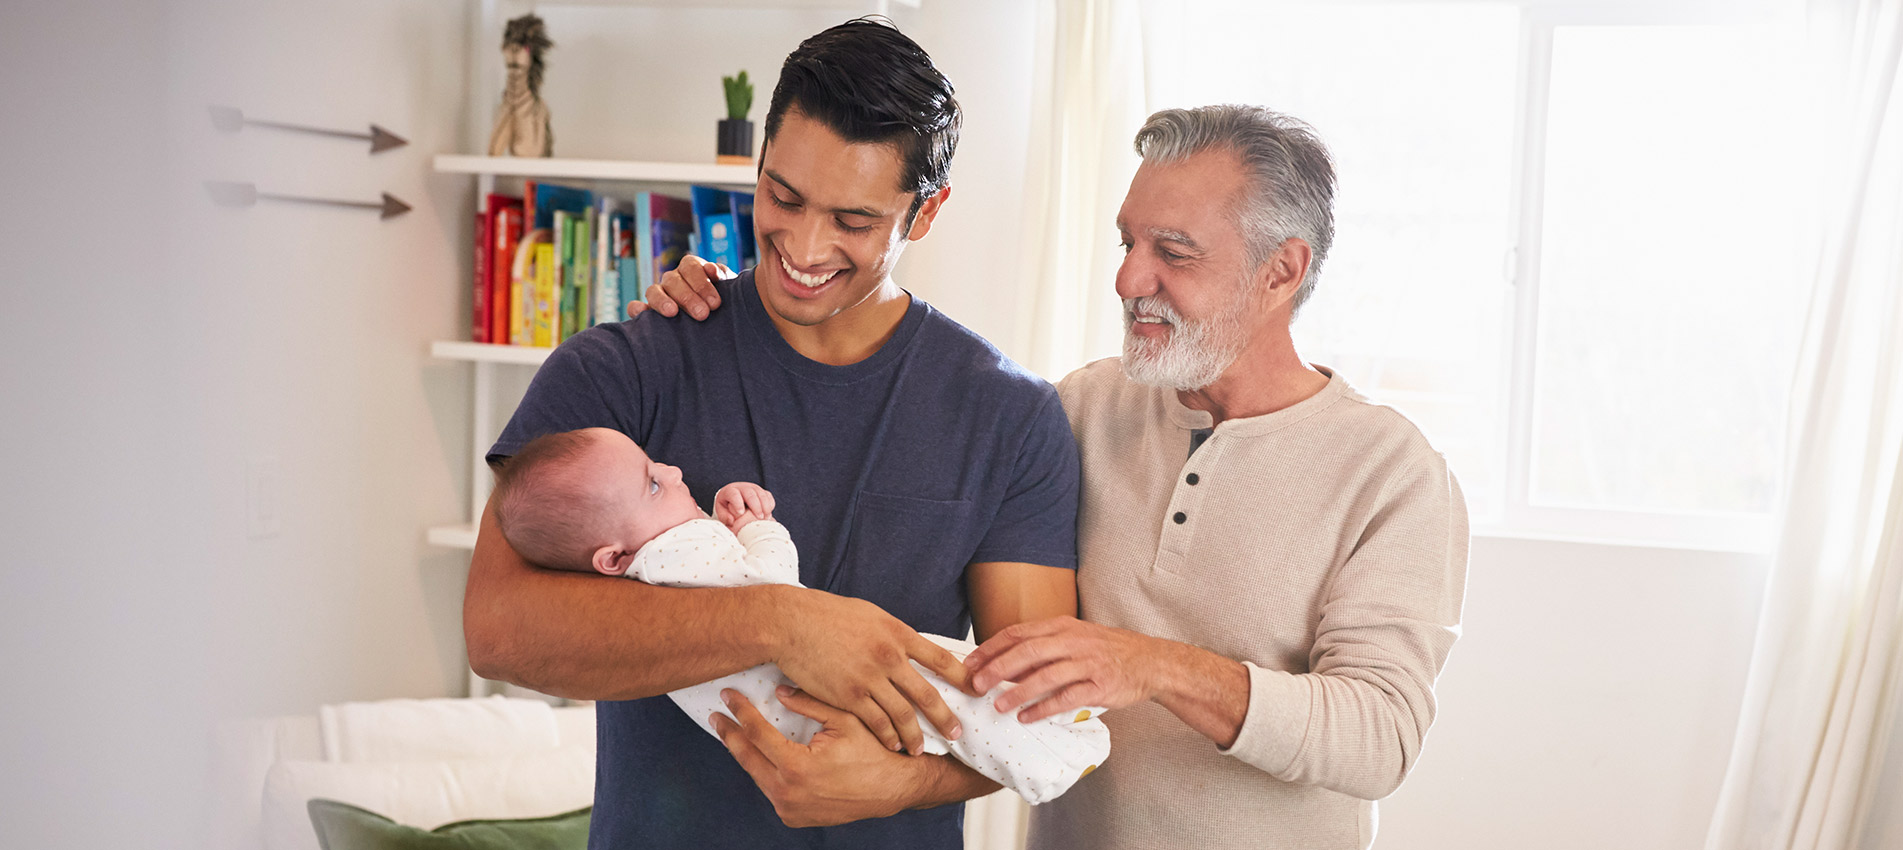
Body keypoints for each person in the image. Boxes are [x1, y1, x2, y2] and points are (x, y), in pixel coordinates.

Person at [647, 104, 1469, 850]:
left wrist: (1154, 666)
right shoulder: (1082, 407)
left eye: (1172, 253)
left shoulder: (1390, 475)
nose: (1127, 280)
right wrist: (753, 304)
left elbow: (1382, 737)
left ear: (1281, 272)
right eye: (1127, 243)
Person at [462, 18, 1082, 850]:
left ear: (924, 214)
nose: (804, 245)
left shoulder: (1009, 415)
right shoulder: (628, 367)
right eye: (783, 197)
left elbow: (1039, 713)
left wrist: (903, 784)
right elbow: (499, 629)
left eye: (853, 221)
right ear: (757, 167)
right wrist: (781, 624)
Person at [490, 427, 1110, 806]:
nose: (675, 471)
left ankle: (1049, 744)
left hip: (779, 721)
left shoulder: (640, 571)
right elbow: (777, 592)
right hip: (805, 690)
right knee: (946, 689)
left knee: (935, 717)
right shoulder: (680, 549)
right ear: (613, 556)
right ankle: (1049, 751)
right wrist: (759, 527)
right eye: (654, 483)